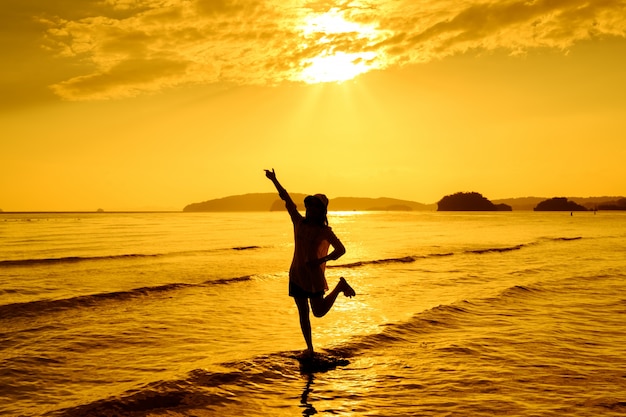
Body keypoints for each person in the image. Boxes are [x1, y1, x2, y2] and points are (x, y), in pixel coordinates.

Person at [265, 168, 355, 357]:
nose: (312, 210)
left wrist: (322, 260)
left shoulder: (325, 232)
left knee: (318, 312)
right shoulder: (298, 222)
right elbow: (287, 200)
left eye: (317, 207)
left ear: (322, 211)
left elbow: (341, 250)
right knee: (303, 313)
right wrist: (274, 179)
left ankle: (339, 286)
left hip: (313, 277)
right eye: (311, 206)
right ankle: (310, 348)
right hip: (297, 273)